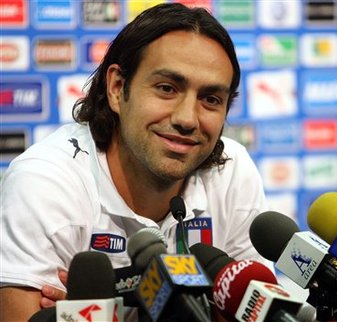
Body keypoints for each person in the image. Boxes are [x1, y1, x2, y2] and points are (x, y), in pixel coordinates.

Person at [0, 3, 271, 320]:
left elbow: (251, 309)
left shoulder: (232, 171)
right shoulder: (44, 181)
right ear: (116, 88)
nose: (187, 119)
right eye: (167, 88)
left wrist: (100, 313)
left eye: (211, 99)